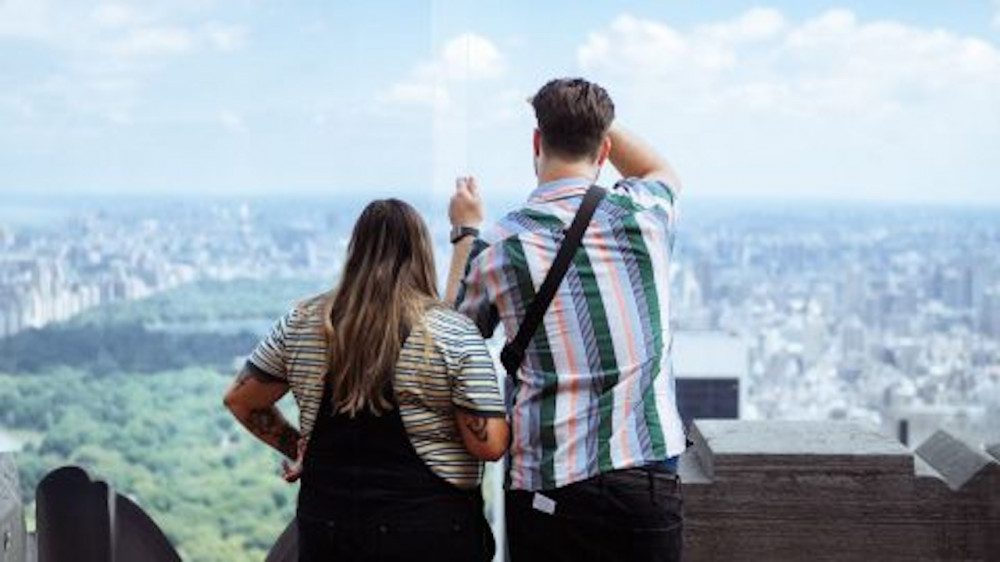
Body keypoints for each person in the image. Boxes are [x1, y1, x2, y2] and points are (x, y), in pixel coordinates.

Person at [445, 77, 687, 561]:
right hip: (646, 480)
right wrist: (593, 119)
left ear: (537, 142)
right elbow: (658, 168)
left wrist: (463, 232)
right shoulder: (647, 216)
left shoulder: (499, 245)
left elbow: (452, 339)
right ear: (606, 148)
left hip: (547, 489)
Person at [224, 199, 510, 562]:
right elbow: (489, 445)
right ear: (422, 254)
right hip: (430, 532)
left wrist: (299, 448)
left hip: (328, 528)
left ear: (354, 251)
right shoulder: (451, 332)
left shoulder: (301, 322)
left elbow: (241, 399)